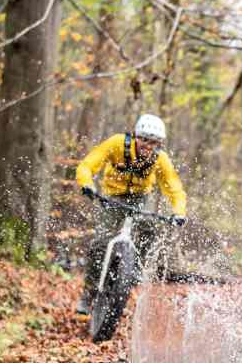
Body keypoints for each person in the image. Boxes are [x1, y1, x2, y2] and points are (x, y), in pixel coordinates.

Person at [75, 114, 187, 315]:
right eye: (144, 139)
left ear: (159, 144)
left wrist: (179, 212)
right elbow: (88, 164)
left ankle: (133, 270)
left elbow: (174, 188)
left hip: (140, 199)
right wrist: (86, 184)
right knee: (100, 243)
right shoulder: (117, 144)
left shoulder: (160, 159)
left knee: (150, 227)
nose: (147, 145)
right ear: (135, 136)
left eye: (153, 142)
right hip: (112, 197)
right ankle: (89, 292)